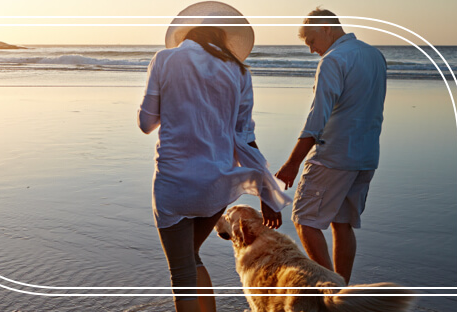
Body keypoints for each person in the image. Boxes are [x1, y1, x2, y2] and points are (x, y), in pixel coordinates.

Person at [137, 2, 290, 311]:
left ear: (186, 33)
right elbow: (245, 138)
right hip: (216, 188)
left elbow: (145, 124)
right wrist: (266, 194)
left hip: (174, 185)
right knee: (191, 258)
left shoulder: (165, 60)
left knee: (181, 272)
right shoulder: (239, 72)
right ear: (223, 38)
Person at [275, 7, 387, 285]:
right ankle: (342, 290)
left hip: (333, 156)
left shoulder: (333, 60)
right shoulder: (375, 55)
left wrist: (292, 162)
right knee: (342, 223)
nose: (312, 50)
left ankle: (331, 289)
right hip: (366, 155)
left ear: (326, 27)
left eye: (311, 41)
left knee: (305, 220)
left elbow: (317, 118)